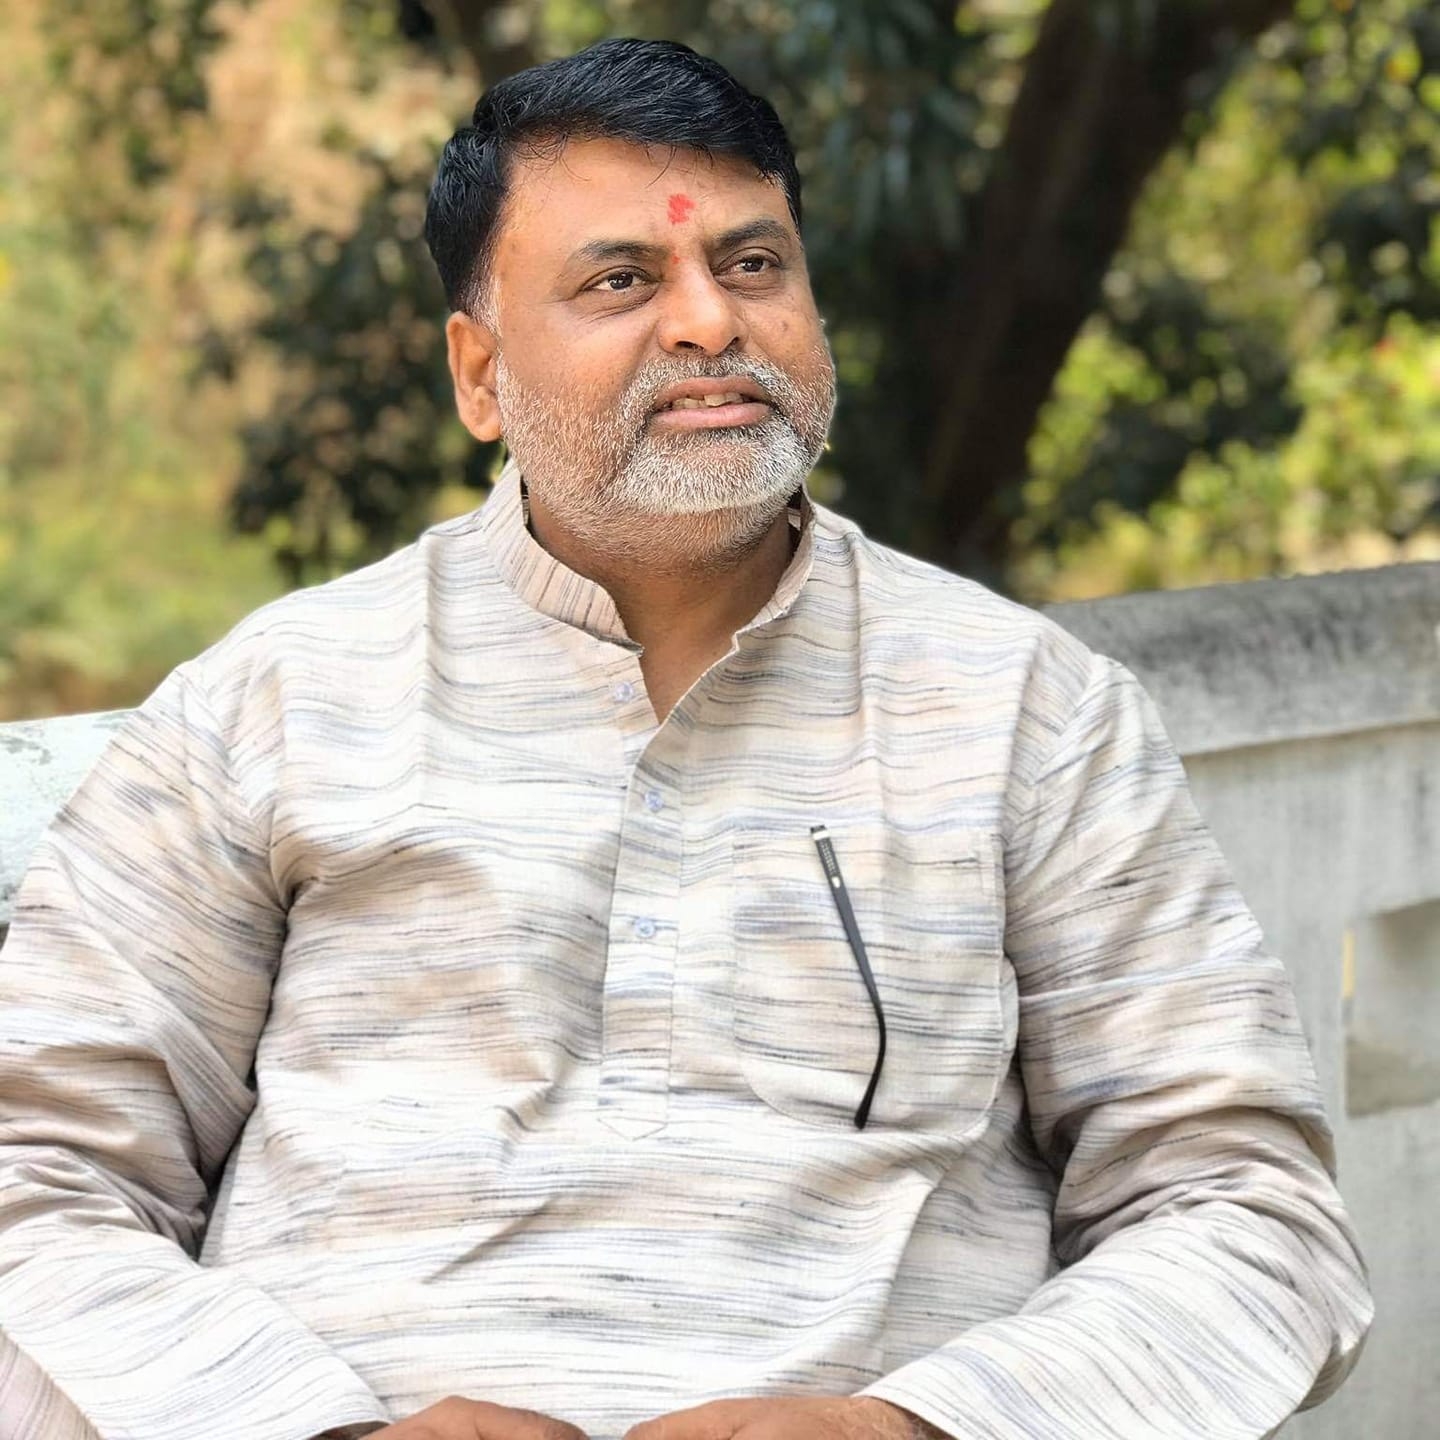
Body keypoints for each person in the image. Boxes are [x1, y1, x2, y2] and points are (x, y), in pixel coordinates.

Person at [0, 37, 1371, 1440]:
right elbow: (36, 1178)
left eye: (754, 264)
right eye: (622, 279)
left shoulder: (1030, 709)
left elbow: (1249, 1217)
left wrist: (910, 1428)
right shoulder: (275, 701)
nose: (710, 321)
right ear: (480, 375)